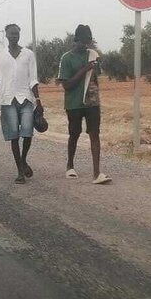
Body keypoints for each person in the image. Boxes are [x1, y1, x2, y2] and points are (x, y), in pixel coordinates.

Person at [57, 24, 111, 184]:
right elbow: (66, 85)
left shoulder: (93, 56)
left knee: (94, 134)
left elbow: (95, 79)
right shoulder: (66, 58)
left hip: (92, 103)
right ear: (76, 40)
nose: (86, 44)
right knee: (74, 134)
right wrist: (84, 70)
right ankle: (70, 166)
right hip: (74, 103)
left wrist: (95, 96)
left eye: (88, 41)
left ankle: (97, 173)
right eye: (83, 41)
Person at [0, 24, 43, 184]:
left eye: (16, 33)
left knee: (27, 133)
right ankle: (20, 171)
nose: (14, 36)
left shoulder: (28, 54)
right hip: (7, 100)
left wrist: (39, 101)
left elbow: (33, 79)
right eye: (11, 34)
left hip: (26, 99)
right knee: (14, 135)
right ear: (6, 35)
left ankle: (23, 159)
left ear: (19, 34)